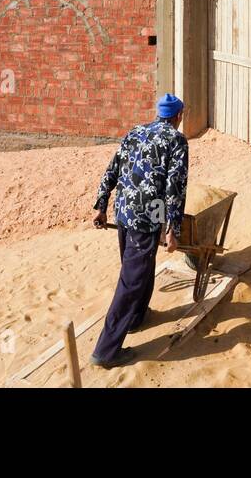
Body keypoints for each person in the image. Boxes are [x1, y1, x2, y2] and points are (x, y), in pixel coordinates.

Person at [88, 93, 189, 369]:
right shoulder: (176, 140)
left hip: (124, 211)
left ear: (158, 113)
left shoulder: (135, 131)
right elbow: (175, 186)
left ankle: (136, 317)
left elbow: (112, 169)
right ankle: (105, 351)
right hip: (147, 218)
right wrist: (173, 229)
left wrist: (101, 205)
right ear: (178, 116)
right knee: (132, 281)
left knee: (140, 268)